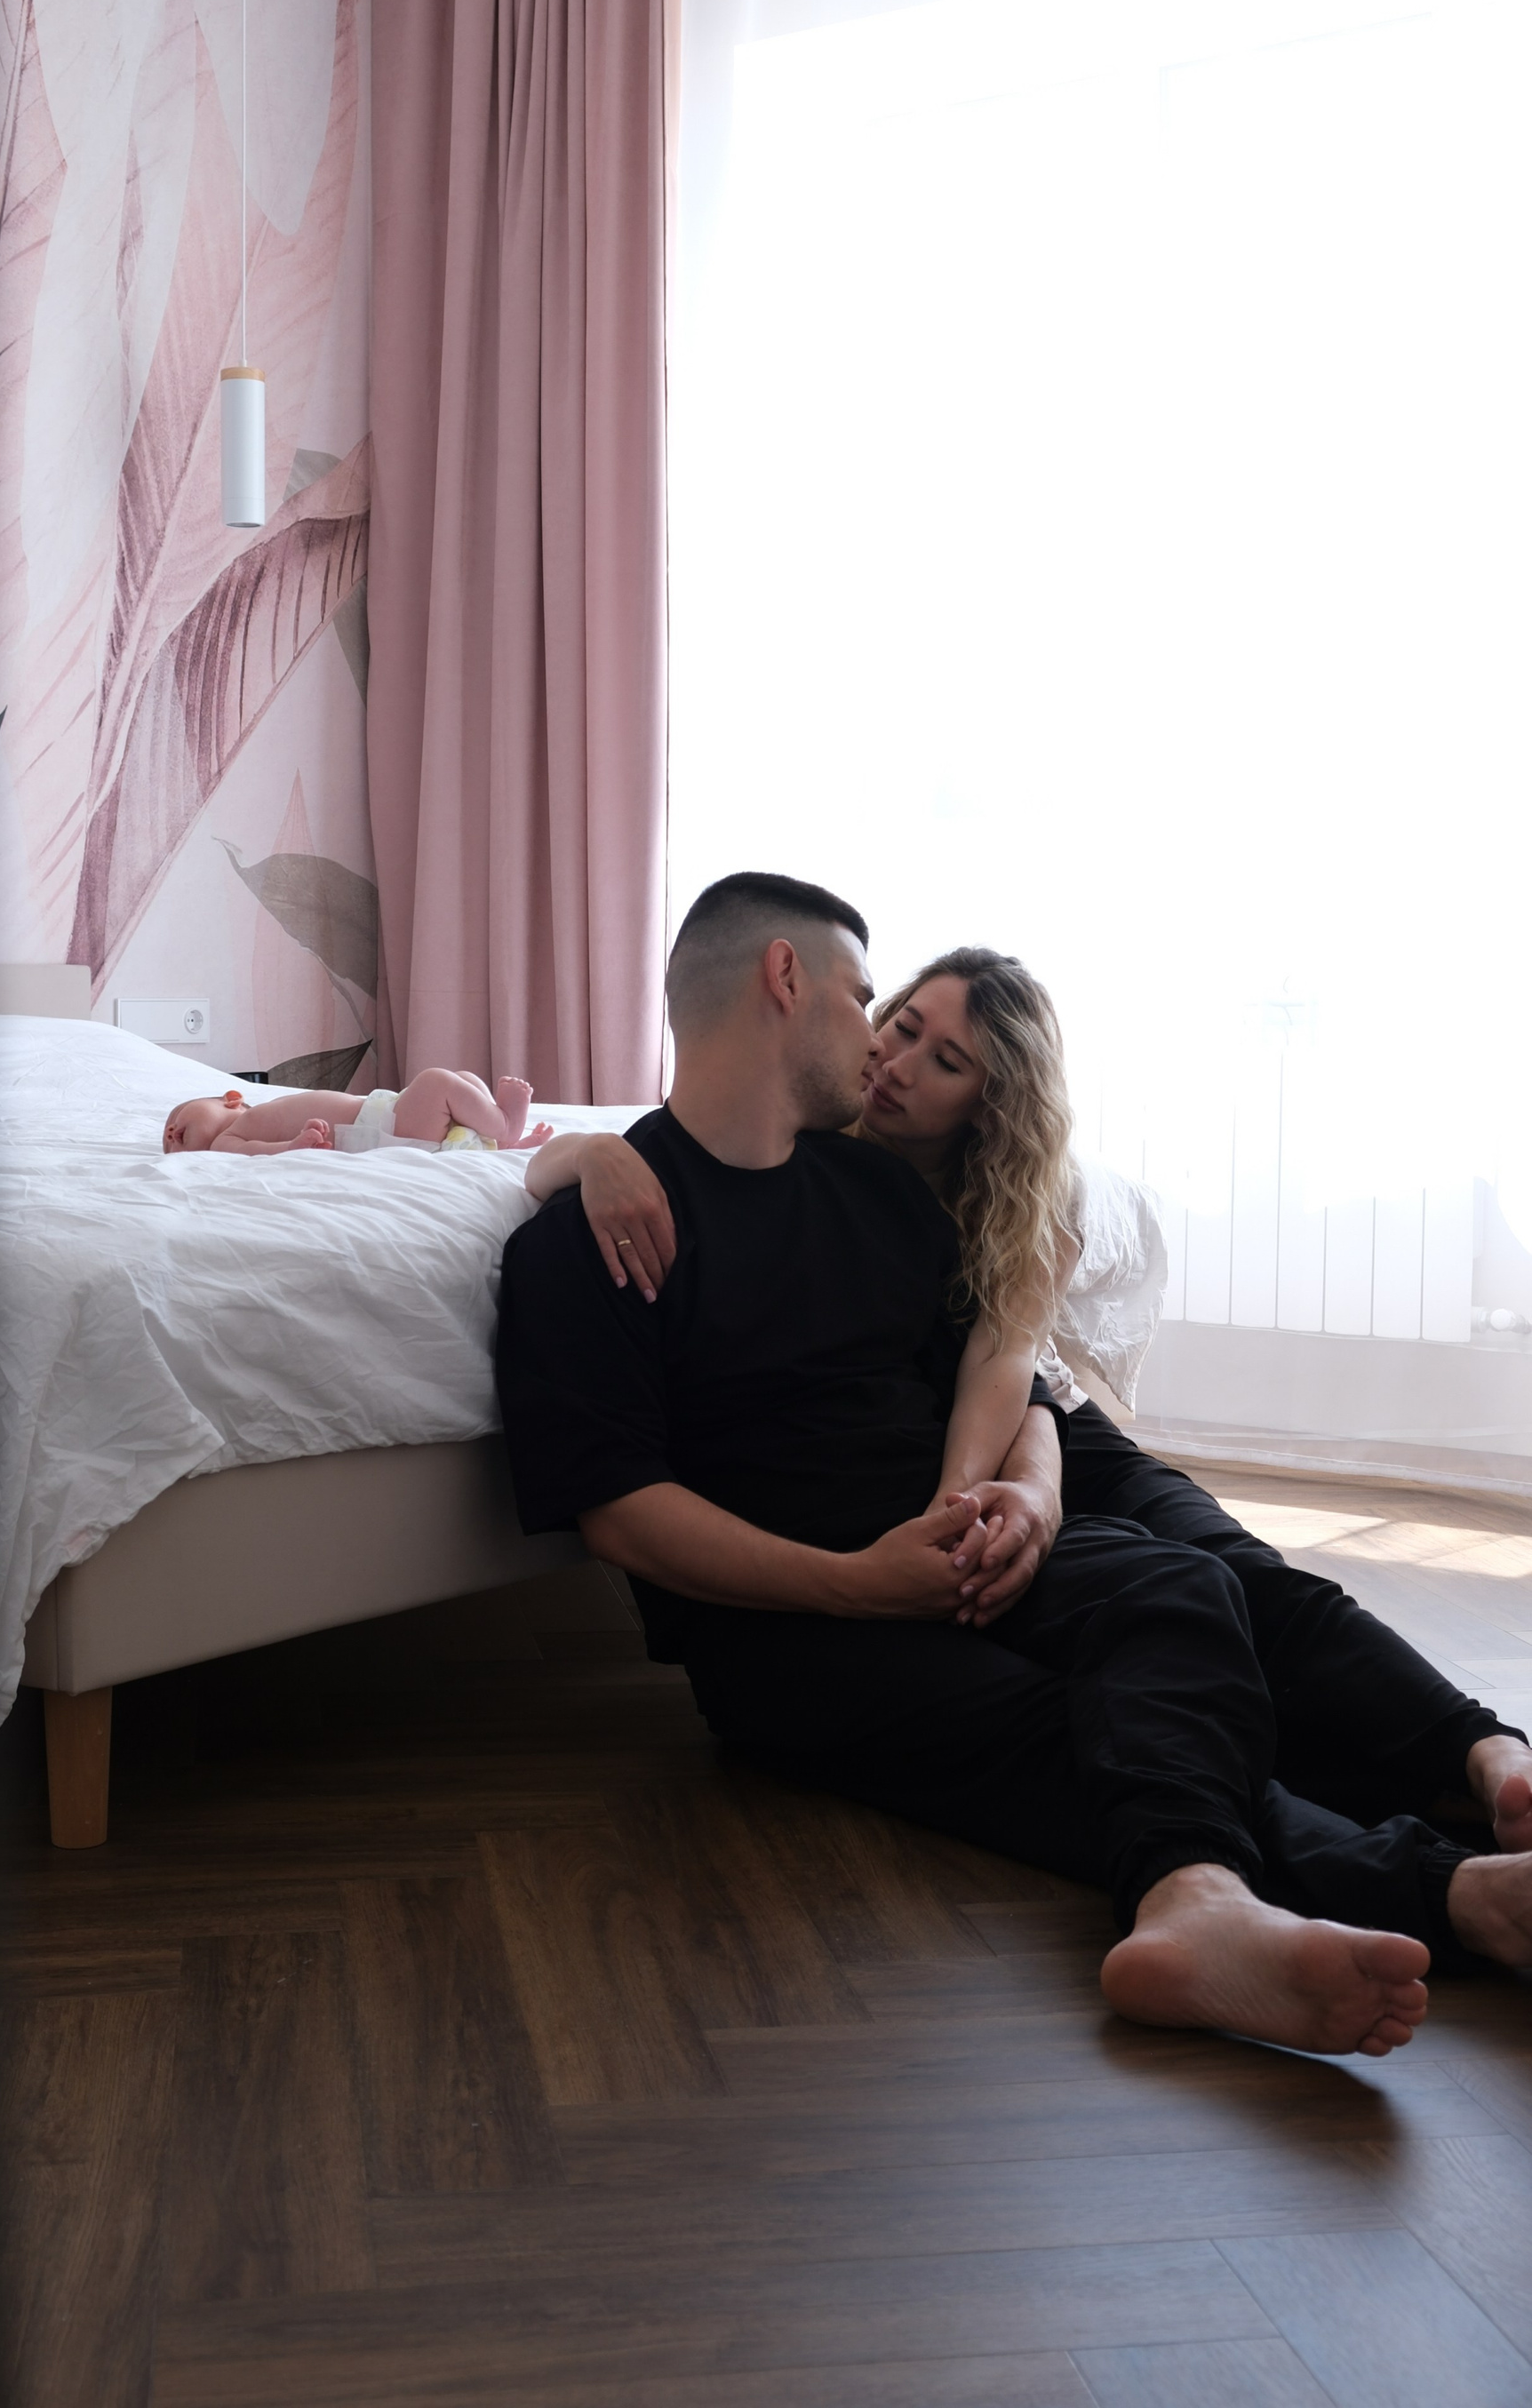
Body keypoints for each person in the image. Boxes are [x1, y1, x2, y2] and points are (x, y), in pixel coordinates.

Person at [497, 870, 1532, 2060]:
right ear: (786, 979)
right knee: (1090, 1725)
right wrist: (861, 1584)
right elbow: (619, 1516)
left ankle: (1240, 1885)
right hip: (793, 1626)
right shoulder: (595, 1240)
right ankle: (1444, 1894)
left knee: (1188, 1587)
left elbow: (1012, 1381)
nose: (880, 1045)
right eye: (870, 1001)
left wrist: (1021, 1507)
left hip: (960, 1547)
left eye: (928, 1046)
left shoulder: (877, 1195)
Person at [162, 1072, 554, 1156]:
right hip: (378, 1134)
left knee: (462, 1080)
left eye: (176, 1118)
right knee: (436, 1083)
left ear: (231, 1099)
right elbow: (257, 1153)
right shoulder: (224, 1143)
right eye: (168, 1143)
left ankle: (494, 1139)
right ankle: (504, 1125)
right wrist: (294, 1145)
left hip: (384, 1113)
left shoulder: (251, 1113)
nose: (170, 1134)